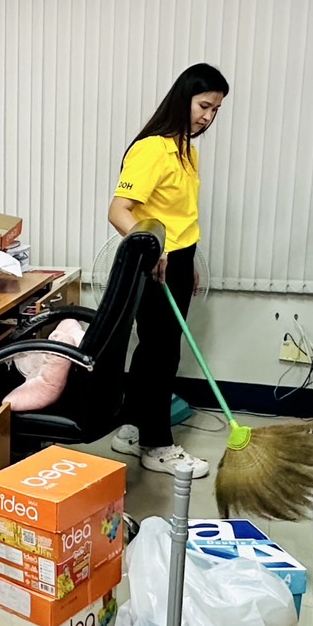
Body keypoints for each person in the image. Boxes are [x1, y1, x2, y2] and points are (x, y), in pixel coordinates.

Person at [107, 63, 229, 478]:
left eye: (215, 110)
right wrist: (154, 249)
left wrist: (187, 261)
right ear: (183, 98)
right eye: (204, 106)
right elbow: (118, 211)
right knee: (162, 354)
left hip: (178, 260)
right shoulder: (152, 149)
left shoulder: (187, 151)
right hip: (155, 264)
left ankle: (132, 428)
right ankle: (157, 445)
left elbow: (180, 216)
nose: (208, 117)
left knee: (154, 350)